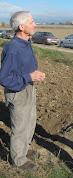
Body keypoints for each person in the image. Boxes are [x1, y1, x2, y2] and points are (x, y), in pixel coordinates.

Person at [0, 11, 45, 171]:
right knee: (19, 127)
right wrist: (29, 76)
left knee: (30, 121)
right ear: (21, 26)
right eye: (31, 22)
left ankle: (24, 149)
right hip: (17, 92)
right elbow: (4, 78)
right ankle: (18, 159)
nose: (35, 24)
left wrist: (34, 75)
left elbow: (26, 68)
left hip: (28, 87)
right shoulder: (12, 48)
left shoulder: (26, 43)